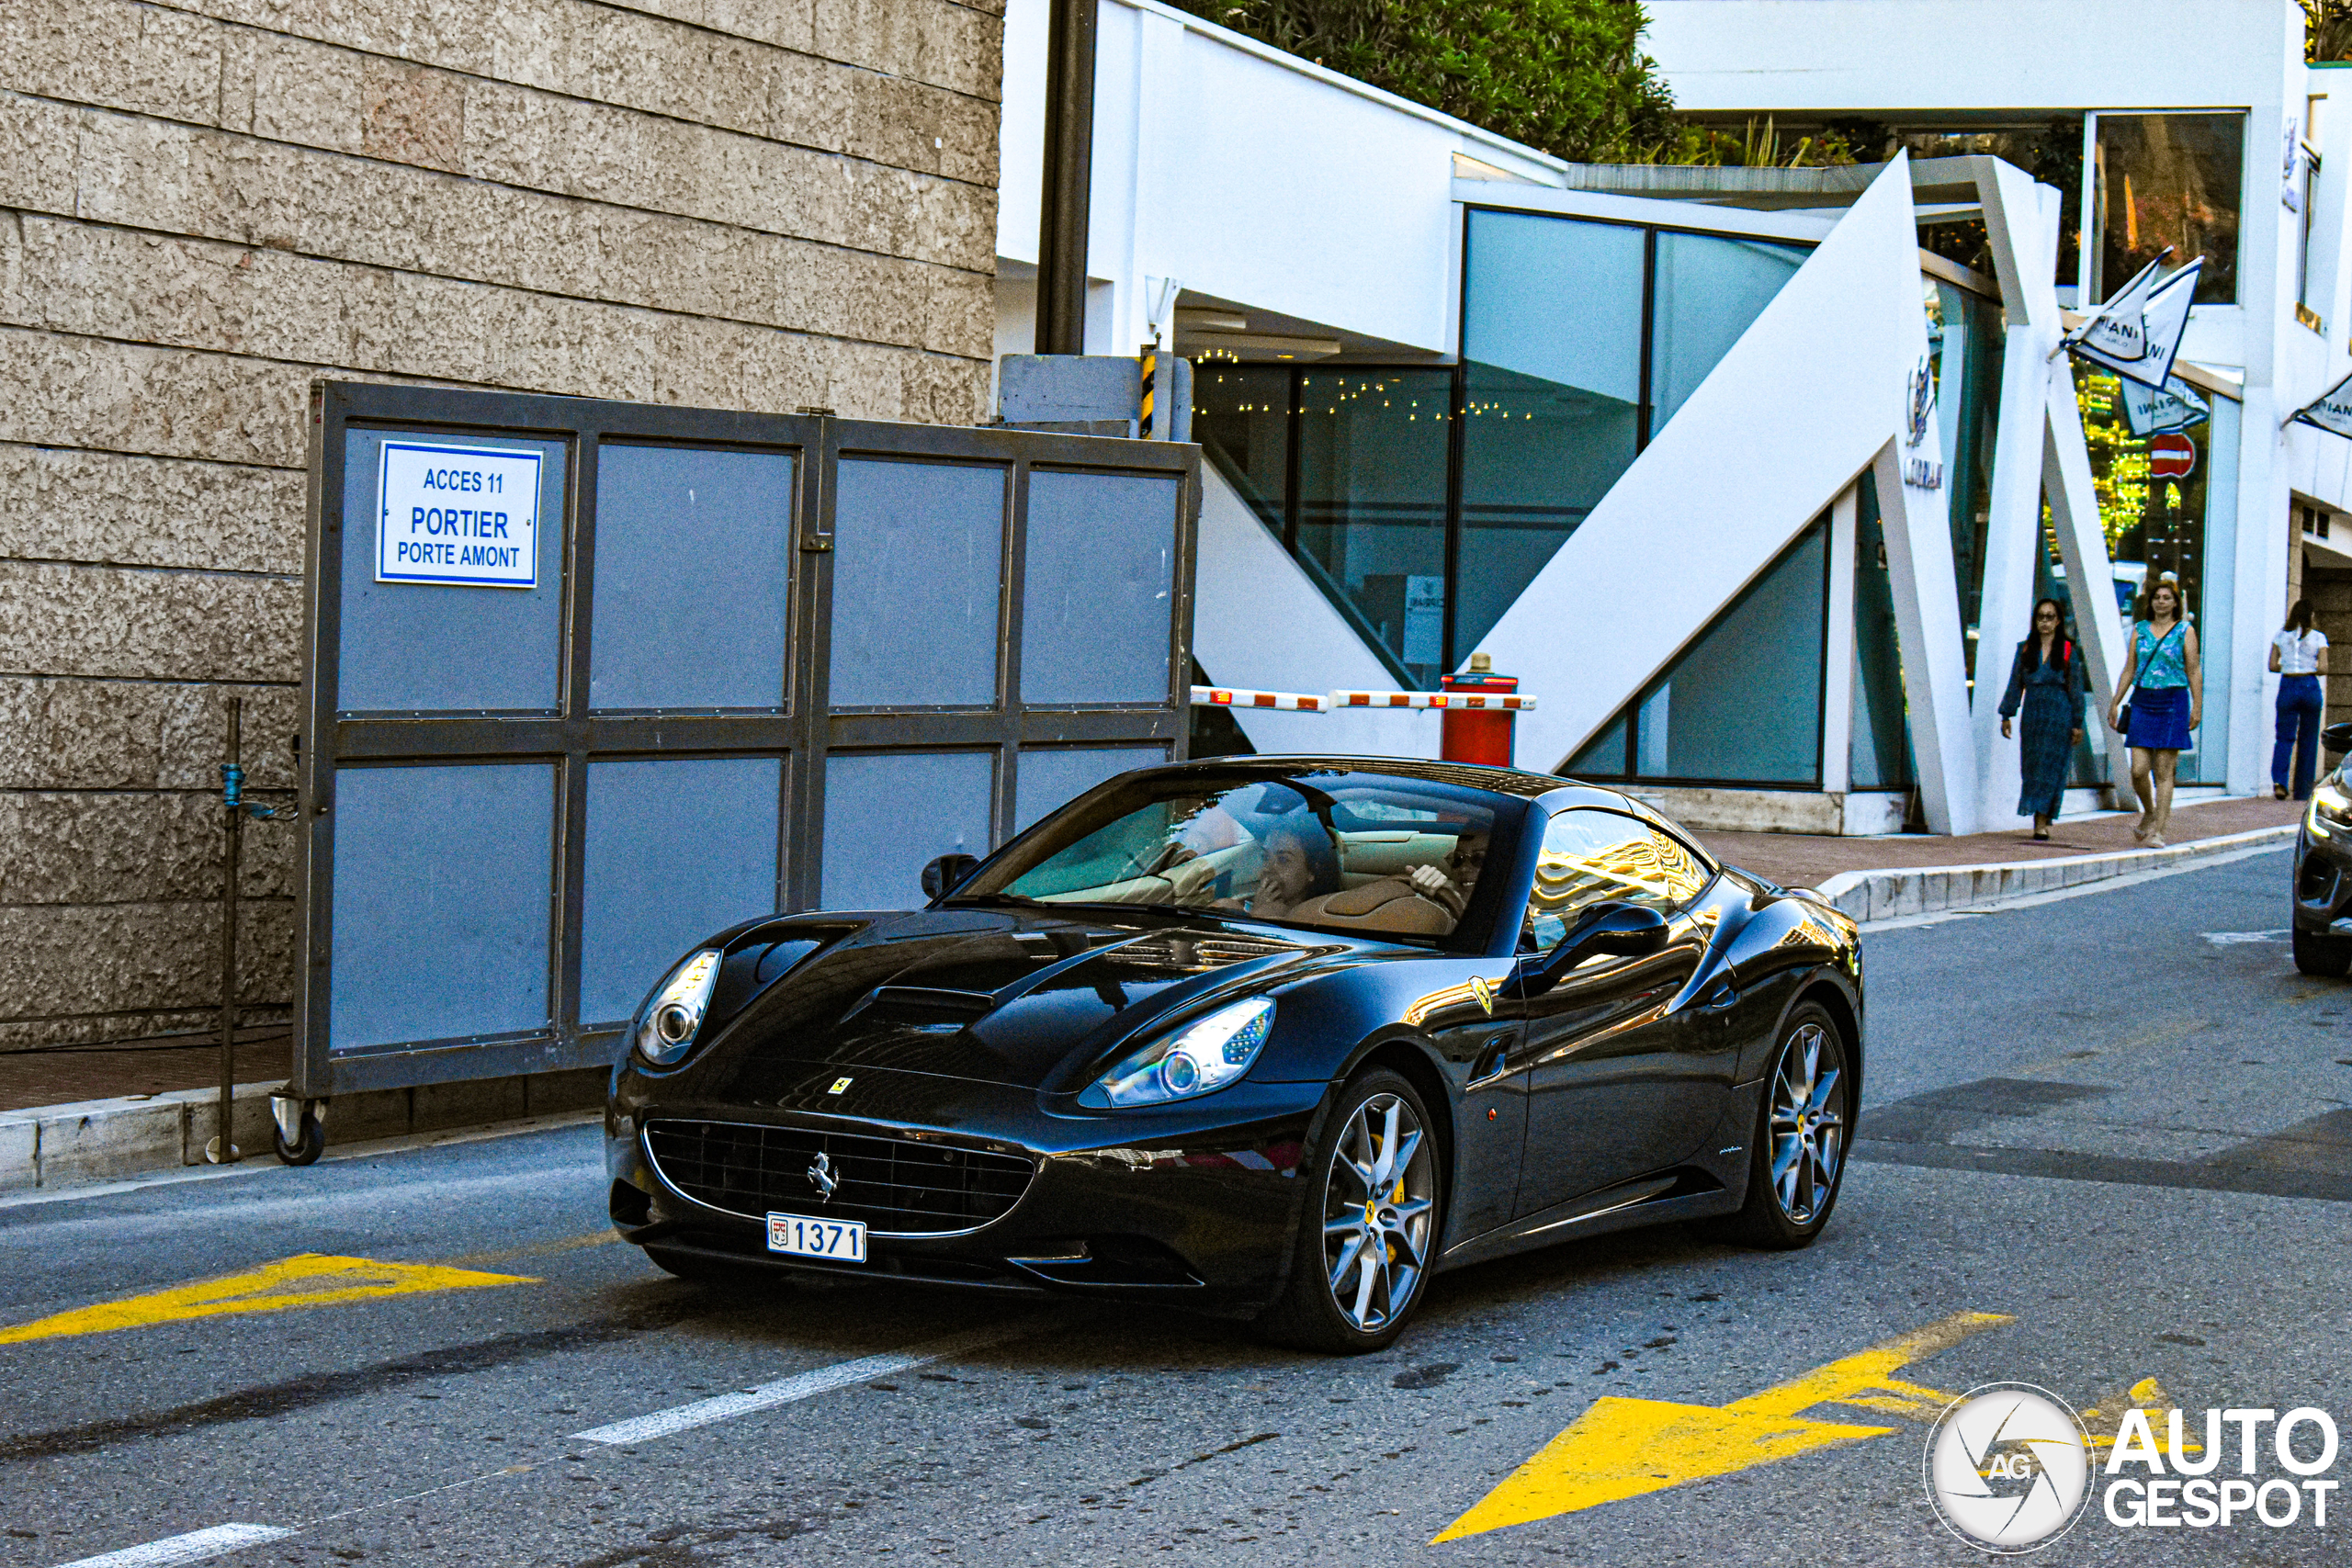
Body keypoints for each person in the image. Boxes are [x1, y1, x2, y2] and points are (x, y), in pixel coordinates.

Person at [2106, 573, 2200, 847]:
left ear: (2174, 603)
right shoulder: (2140, 629)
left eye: (2166, 598)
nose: (2161, 602)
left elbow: (2193, 670)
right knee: (2138, 770)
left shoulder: (2185, 631)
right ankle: (2149, 810)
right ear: (2151, 602)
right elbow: (2129, 668)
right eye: (2157, 598)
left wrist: (2197, 706)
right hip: (2143, 701)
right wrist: (2115, 700)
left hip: (2173, 701)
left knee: (2163, 770)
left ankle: (2159, 830)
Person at [1996, 597, 2086, 840]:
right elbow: (2016, 682)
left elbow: (2075, 688)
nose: (2044, 622)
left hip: (2059, 714)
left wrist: (2077, 722)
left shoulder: (2068, 650)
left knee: (2053, 766)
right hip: (2034, 713)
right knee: (2033, 765)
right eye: (2040, 617)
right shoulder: (2025, 649)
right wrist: (2007, 714)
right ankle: (2039, 813)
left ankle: (2042, 820)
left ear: (2058, 621)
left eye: (2050, 617)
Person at [2270, 597, 2330, 800]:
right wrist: (2307, 667)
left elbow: (2272, 665)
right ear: (2311, 616)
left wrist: (2288, 667)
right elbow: (2323, 668)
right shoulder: (2319, 638)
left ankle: (2280, 783)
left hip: (2288, 685)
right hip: (2309, 686)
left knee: (2284, 738)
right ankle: (2302, 790)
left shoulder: (2280, 636)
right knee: (2309, 738)